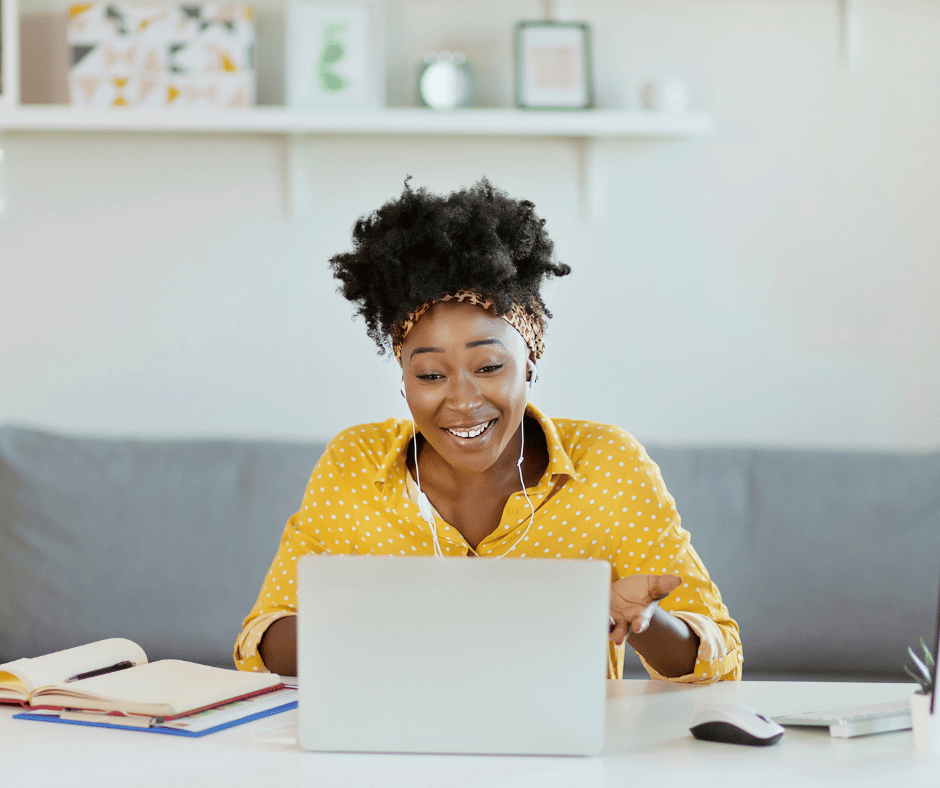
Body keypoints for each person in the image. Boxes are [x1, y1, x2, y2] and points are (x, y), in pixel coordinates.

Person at [235, 179, 742, 682]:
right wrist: (380, 620)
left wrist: (644, 624)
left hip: (558, 756)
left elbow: (720, 659)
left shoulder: (607, 464)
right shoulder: (356, 462)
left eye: (489, 367)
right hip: (390, 749)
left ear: (530, 365)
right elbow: (263, 641)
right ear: (404, 380)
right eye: (431, 375)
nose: (462, 400)